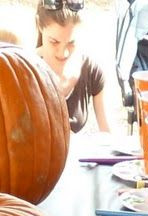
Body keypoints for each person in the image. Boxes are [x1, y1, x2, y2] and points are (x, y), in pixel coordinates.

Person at [34, 0, 111, 134]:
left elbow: (108, 133)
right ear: (39, 27)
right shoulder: (24, 70)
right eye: (54, 42)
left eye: (71, 43)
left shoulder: (91, 69)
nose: (63, 52)